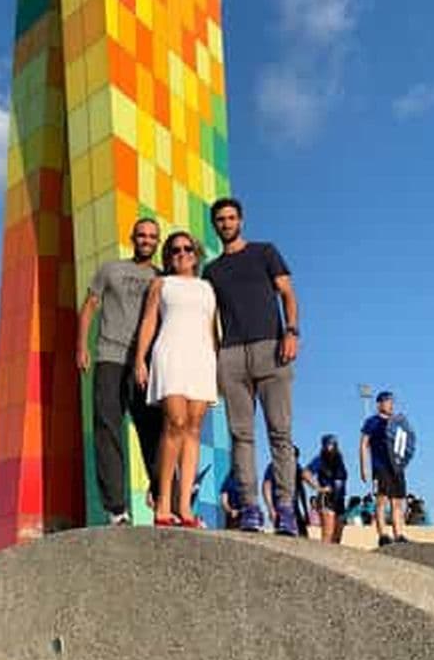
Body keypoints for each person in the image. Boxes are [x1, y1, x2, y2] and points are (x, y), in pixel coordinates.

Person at [204, 198, 300, 536]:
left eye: (231, 218)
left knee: (280, 432)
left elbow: (287, 293)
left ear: (241, 221)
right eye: (220, 220)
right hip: (231, 355)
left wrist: (291, 331)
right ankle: (250, 508)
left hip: (270, 348)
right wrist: (214, 359)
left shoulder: (264, 252)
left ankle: (286, 508)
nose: (226, 223)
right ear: (215, 225)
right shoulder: (211, 271)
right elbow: (210, 318)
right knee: (240, 435)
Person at [77, 218, 163, 525]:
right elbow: (89, 305)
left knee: (153, 431)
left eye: (152, 236)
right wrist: (81, 346)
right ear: (132, 238)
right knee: (107, 430)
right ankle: (117, 509)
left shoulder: (161, 277)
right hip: (110, 358)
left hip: (146, 364)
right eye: (142, 235)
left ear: (157, 242)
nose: (146, 240)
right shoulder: (110, 269)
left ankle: (163, 497)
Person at [134, 231, 218, 527]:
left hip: (202, 359)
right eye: (174, 250)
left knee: (194, 429)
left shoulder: (207, 288)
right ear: (168, 257)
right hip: (170, 354)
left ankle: (185, 508)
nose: (181, 254)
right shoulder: (161, 284)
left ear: (196, 254)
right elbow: (148, 321)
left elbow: (211, 329)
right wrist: (139, 360)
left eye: (187, 249)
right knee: (174, 424)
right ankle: (163, 503)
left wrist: (215, 363)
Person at [360, 390, 408, 546]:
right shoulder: (372, 421)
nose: (390, 404)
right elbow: (363, 444)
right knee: (381, 500)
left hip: (397, 467)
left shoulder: (397, 422)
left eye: (392, 401)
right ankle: (383, 534)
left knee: (398, 502)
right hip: (380, 466)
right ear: (379, 403)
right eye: (387, 401)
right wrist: (364, 467)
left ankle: (399, 533)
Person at [304, 434, 348, 544]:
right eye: (328, 444)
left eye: (333, 444)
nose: (331, 447)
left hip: (340, 499)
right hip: (327, 498)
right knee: (328, 534)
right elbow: (306, 473)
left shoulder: (339, 460)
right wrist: (318, 488)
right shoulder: (320, 459)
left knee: (337, 536)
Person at [262, 447, 309, 535]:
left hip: (294, 507)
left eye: (296, 457)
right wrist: (270, 508)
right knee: (283, 533)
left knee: (303, 534)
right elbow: (266, 486)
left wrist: (306, 511)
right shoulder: (273, 467)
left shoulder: (297, 468)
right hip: (279, 506)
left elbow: (302, 491)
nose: (294, 459)